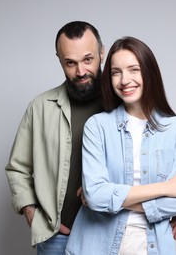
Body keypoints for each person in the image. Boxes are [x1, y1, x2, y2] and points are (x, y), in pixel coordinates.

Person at [66, 36, 176, 255]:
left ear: (149, 72)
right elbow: (95, 196)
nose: (125, 80)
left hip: (152, 247)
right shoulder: (97, 127)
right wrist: (164, 188)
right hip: (95, 246)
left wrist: (108, 199)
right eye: (116, 72)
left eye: (133, 69)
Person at [5, 21, 104, 254]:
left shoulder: (123, 106)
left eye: (88, 59)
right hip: (57, 239)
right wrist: (33, 214)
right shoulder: (40, 107)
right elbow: (17, 168)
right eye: (70, 63)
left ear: (102, 52)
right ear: (60, 60)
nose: (80, 71)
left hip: (110, 236)